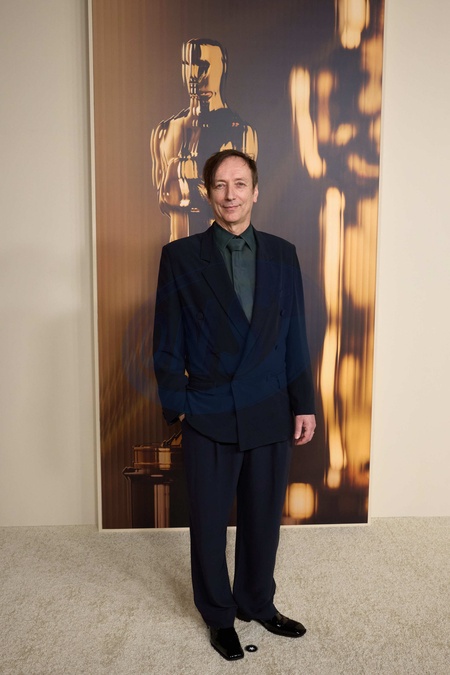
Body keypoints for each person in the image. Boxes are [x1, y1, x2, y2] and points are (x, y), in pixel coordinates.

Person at [153, 149, 316, 661]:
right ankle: (219, 615)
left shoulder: (283, 254)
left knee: (264, 517)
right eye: (220, 185)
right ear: (207, 193)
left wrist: (304, 403)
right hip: (209, 410)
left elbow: (295, 336)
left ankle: (257, 602)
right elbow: (166, 340)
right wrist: (179, 405)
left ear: (255, 190)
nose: (230, 194)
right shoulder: (180, 256)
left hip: (270, 407)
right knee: (207, 522)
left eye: (240, 184)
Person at [151, 38, 258, 241]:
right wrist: (180, 173)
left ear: (220, 69)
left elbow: (237, 202)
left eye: (202, 66)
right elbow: (164, 199)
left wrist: (185, 181)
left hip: (225, 252)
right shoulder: (166, 130)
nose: (193, 75)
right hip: (180, 249)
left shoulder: (240, 132)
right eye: (188, 65)